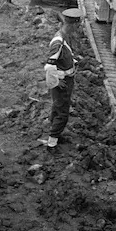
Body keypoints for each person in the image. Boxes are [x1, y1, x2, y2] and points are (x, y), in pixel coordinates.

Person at [39, 8, 83, 149]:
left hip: (66, 80)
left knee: (58, 107)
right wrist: (58, 81)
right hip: (62, 83)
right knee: (62, 112)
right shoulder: (58, 42)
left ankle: (54, 133)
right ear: (73, 25)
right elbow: (49, 67)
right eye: (77, 26)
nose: (77, 29)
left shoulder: (63, 38)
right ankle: (52, 142)